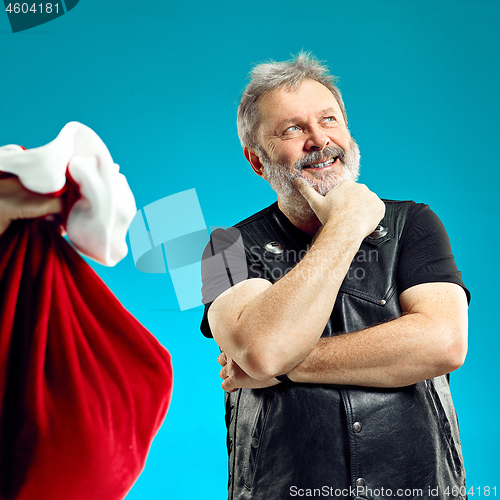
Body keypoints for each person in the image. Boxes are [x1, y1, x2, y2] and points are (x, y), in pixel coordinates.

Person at [200, 53, 469, 500]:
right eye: (292, 129)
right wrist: (346, 225)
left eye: (329, 120)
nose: (319, 140)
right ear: (257, 161)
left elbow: (443, 342)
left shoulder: (415, 223)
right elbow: (264, 353)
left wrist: (284, 366)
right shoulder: (221, 248)